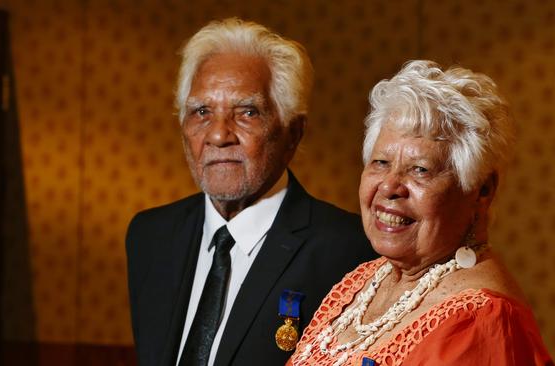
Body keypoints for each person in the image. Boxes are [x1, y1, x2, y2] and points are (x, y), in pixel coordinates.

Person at [125, 18, 375, 366]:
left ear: (293, 132)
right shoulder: (150, 236)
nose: (218, 135)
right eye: (201, 112)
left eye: (247, 112)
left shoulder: (349, 251)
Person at [288, 61, 554, 365]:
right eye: (381, 163)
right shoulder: (362, 282)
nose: (390, 186)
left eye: (420, 170)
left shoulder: (482, 321)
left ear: (482, 190)